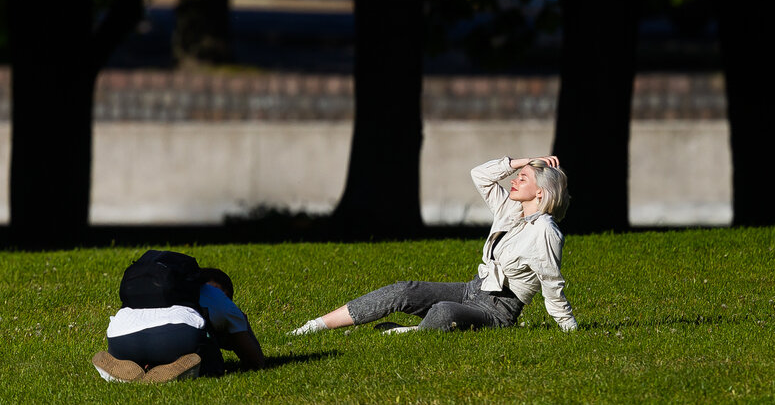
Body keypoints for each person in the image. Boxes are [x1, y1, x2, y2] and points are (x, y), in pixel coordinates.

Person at [291, 156, 578, 335]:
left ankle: (411, 333)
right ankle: (313, 326)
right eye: (517, 176)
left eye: (523, 178)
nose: (515, 180)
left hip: (497, 311)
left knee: (444, 311)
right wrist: (522, 161)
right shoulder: (508, 209)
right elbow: (480, 174)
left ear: (539, 193)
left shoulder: (545, 231)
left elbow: (552, 284)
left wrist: (569, 329)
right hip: (471, 289)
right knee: (403, 290)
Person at [92, 266, 265, 383]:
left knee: (151, 347)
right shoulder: (219, 297)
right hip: (177, 336)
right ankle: (185, 370)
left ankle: (125, 368)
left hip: (119, 338)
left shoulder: (153, 291)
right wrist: (243, 323)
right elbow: (255, 361)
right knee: (213, 361)